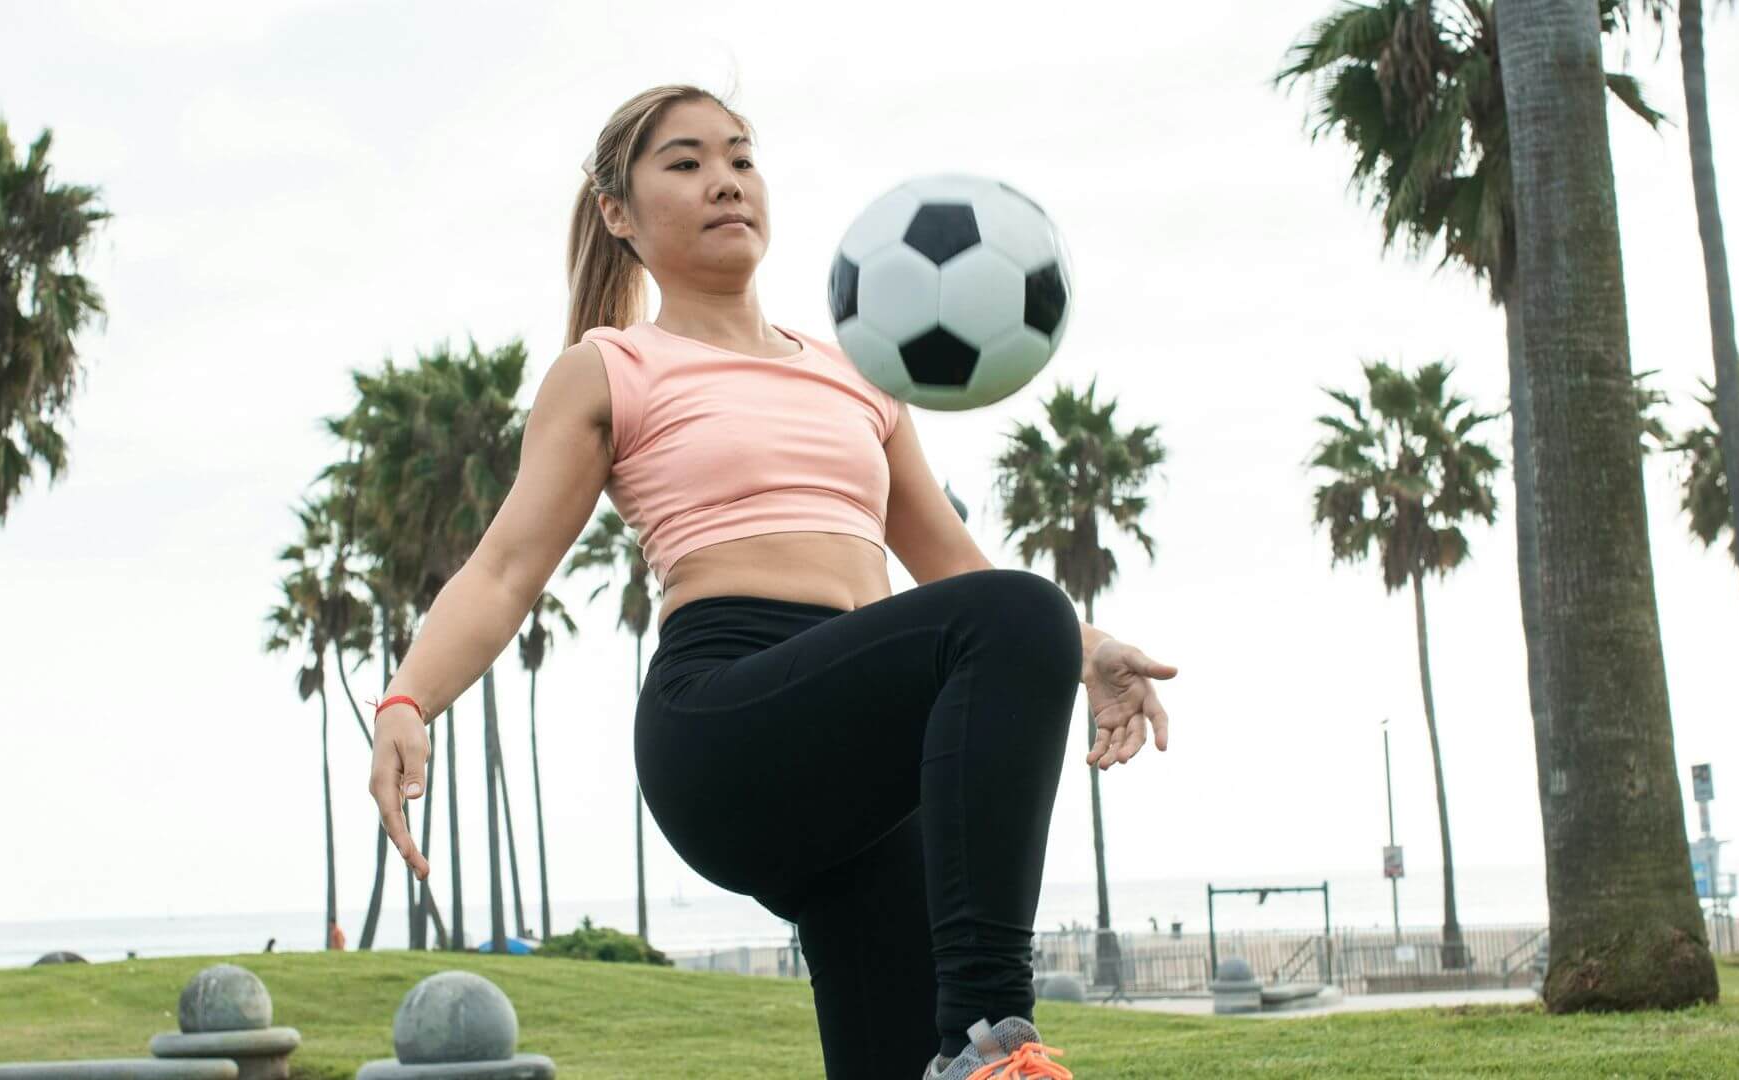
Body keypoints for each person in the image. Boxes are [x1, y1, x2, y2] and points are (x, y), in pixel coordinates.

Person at [367, 84, 1178, 1080]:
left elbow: (952, 566)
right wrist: (409, 695)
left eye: (741, 158)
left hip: (867, 754)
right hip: (727, 724)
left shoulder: (860, 373)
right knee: (1020, 610)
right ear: (619, 214)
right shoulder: (613, 366)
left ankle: (955, 1049)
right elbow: (501, 572)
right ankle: (991, 1039)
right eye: (686, 162)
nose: (725, 181)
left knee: (890, 1049)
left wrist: (1086, 649)